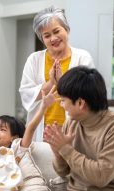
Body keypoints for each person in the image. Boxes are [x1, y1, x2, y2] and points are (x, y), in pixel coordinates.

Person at [19, 5, 94, 141]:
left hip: (73, 131)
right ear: (42, 39)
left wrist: (63, 83)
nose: (53, 38)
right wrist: (51, 83)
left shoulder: (83, 58)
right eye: (47, 36)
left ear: (66, 29)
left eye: (56, 31)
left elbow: (90, 95)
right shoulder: (34, 59)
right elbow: (26, 94)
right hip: (42, 130)